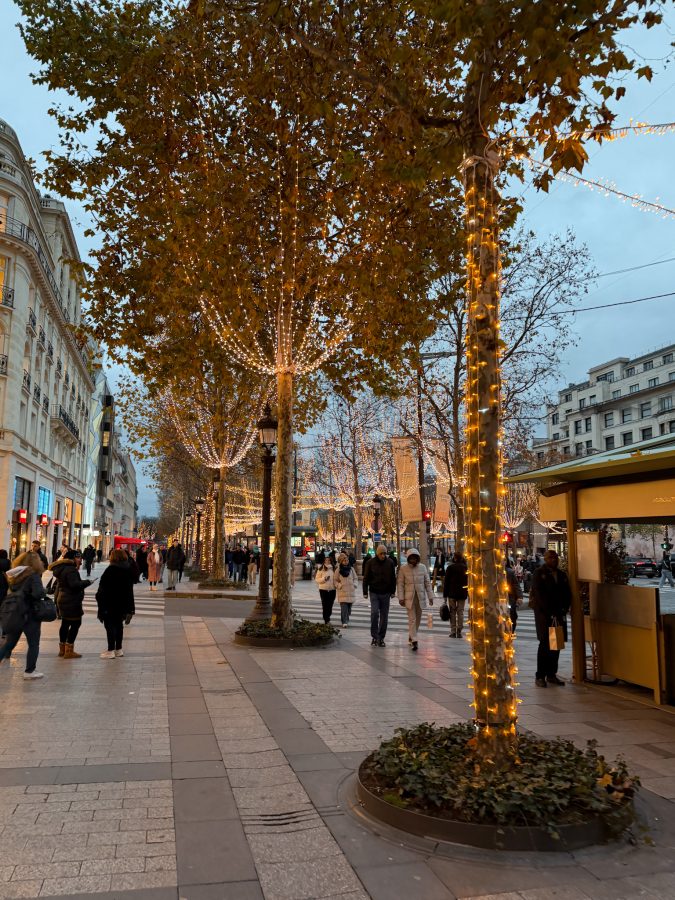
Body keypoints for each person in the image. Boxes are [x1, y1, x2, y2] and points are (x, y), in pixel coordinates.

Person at [0, 551, 47, 678]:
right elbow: (37, 593)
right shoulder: (33, 575)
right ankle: (30, 671)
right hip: (30, 613)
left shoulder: (15, 574)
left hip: (16, 612)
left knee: (9, 643)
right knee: (33, 643)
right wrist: (44, 591)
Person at [529, 549, 572, 687]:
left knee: (556, 645)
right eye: (551, 558)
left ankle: (552, 674)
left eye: (555, 557)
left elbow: (567, 593)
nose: (554, 560)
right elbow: (539, 595)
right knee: (545, 645)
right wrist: (550, 611)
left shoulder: (561, 574)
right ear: (546, 559)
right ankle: (540, 675)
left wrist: (564, 609)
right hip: (544, 615)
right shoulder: (539, 573)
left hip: (558, 614)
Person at [49, 549, 93, 659]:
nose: (80, 560)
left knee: (65, 623)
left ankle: (62, 649)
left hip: (62, 598)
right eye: (78, 557)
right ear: (72, 558)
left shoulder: (62, 568)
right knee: (76, 623)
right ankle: (69, 650)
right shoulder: (71, 570)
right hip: (71, 600)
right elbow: (74, 585)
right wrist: (88, 582)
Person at [96, 548, 135, 658]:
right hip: (123, 603)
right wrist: (130, 607)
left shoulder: (111, 569)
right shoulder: (127, 569)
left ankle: (110, 650)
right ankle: (119, 649)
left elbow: (103, 587)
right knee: (119, 626)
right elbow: (130, 589)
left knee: (109, 626)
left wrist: (99, 598)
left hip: (110, 602)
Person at [397, 548, 434, 652]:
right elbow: (400, 584)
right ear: (408, 558)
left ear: (417, 558)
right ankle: (414, 640)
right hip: (409, 598)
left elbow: (427, 582)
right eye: (411, 558)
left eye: (415, 558)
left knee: (417, 619)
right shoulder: (403, 569)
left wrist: (430, 596)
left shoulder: (422, 568)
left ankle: (412, 635)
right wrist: (401, 598)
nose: (413, 560)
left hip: (420, 597)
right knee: (412, 619)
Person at [362, 543, 397, 647]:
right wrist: (365, 592)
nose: (383, 556)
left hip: (386, 592)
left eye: (384, 554)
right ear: (377, 554)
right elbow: (366, 578)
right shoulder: (370, 563)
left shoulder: (390, 562)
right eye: (381, 554)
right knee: (375, 613)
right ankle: (374, 636)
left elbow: (393, 578)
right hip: (374, 592)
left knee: (384, 616)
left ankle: (381, 638)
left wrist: (393, 591)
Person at [443, 551, 468, 638]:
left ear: (455, 558)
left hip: (452, 593)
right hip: (462, 593)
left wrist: (445, 595)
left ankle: (453, 631)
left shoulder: (450, 567)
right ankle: (459, 630)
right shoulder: (465, 568)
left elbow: (446, 582)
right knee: (460, 612)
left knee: (452, 612)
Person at [335, 552, 358, 626]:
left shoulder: (351, 569)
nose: (346, 562)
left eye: (347, 560)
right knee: (344, 608)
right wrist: (339, 585)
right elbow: (335, 580)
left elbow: (355, 578)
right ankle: (344, 622)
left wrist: (354, 585)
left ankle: (346, 618)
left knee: (349, 608)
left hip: (351, 591)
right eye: (344, 561)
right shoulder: (338, 570)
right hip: (342, 591)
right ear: (341, 561)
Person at [314, 553, 337, 624]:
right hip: (323, 590)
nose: (327, 561)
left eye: (329, 560)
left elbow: (336, 579)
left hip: (332, 590)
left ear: (331, 561)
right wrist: (324, 579)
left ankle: (328, 616)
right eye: (326, 560)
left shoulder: (334, 569)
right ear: (324, 561)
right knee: (325, 605)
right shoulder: (321, 569)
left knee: (330, 605)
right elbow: (317, 579)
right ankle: (326, 619)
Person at [506, 558, 523, 633]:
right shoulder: (494, 572)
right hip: (502, 598)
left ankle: (511, 631)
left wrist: (519, 597)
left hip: (509, 597)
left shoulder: (509, 572)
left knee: (512, 615)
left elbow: (516, 585)